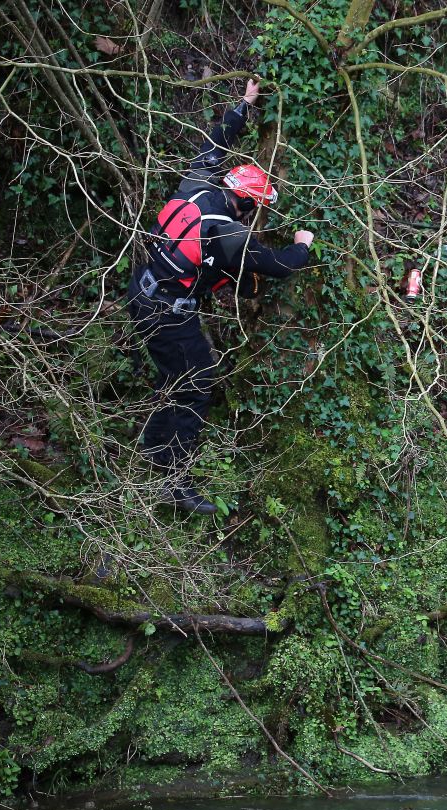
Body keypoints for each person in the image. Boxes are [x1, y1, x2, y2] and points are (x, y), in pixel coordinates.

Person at [129, 78, 314, 514]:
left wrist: (243, 106)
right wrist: (303, 244)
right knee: (197, 383)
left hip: (140, 290)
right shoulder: (227, 233)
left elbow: (215, 143)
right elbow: (277, 263)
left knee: (174, 378)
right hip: (167, 310)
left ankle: (153, 449)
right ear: (247, 205)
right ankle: (176, 483)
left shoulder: (196, 184)